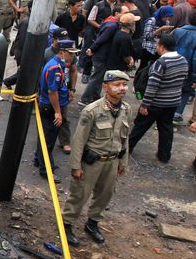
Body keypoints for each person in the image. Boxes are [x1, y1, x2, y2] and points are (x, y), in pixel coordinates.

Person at [63, 70, 132, 246]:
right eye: (116, 85)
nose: (121, 88)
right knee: (79, 194)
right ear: (105, 87)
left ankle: (92, 224)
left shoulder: (126, 110)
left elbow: (125, 139)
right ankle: (67, 224)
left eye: (124, 85)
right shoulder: (92, 110)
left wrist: (123, 162)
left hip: (112, 161)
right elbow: (79, 140)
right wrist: (75, 166)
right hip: (91, 163)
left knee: (104, 195)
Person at [129, 34, 189, 163]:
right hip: (173, 102)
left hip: (156, 103)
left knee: (140, 126)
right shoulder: (183, 60)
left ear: (162, 47)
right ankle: (164, 155)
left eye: (157, 45)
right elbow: (183, 80)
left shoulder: (160, 63)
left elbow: (152, 86)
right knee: (166, 129)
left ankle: (126, 149)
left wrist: (144, 105)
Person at [35, 39, 79, 183]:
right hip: (50, 107)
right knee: (48, 141)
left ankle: (39, 160)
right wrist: (58, 112)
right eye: (70, 54)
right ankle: (46, 170)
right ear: (62, 52)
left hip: (48, 105)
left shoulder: (58, 65)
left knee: (44, 137)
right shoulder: (55, 68)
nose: (72, 57)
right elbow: (52, 92)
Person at [172, 11, 196, 124]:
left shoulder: (177, 31)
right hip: (188, 69)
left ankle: (165, 113)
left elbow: (167, 45)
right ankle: (177, 115)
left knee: (169, 86)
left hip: (171, 64)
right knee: (185, 91)